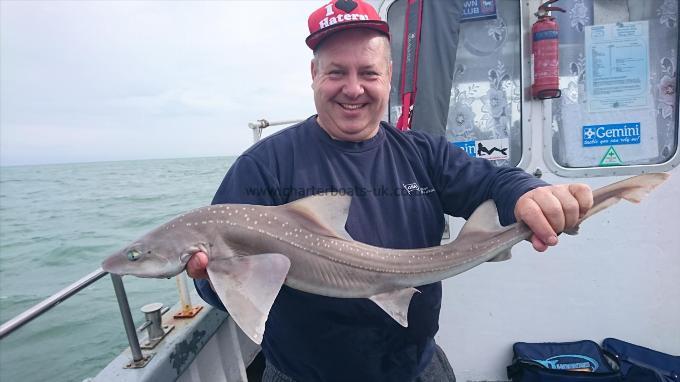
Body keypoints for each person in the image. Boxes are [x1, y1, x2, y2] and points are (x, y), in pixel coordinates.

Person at [187, 1, 593, 381]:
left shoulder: (423, 153)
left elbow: (493, 181)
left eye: (368, 73)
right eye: (336, 72)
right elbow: (221, 293)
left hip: (413, 365)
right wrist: (211, 276)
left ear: (388, 76)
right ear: (314, 75)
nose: (353, 88)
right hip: (303, 373)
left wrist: (529, 192)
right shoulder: (265, 166)